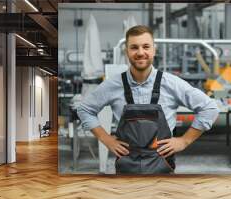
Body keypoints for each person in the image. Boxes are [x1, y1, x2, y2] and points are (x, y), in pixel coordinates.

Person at [77, 25, 219, 174]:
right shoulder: (113, 85)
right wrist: (106, 139)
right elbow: (84, 109)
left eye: (146, 46)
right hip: (127, 168)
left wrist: (184, 141)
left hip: (162, 166)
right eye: (134, 47)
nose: (140, 52)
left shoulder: (171, 83)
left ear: (154, 50)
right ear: (126, 51)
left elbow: (209, 108)